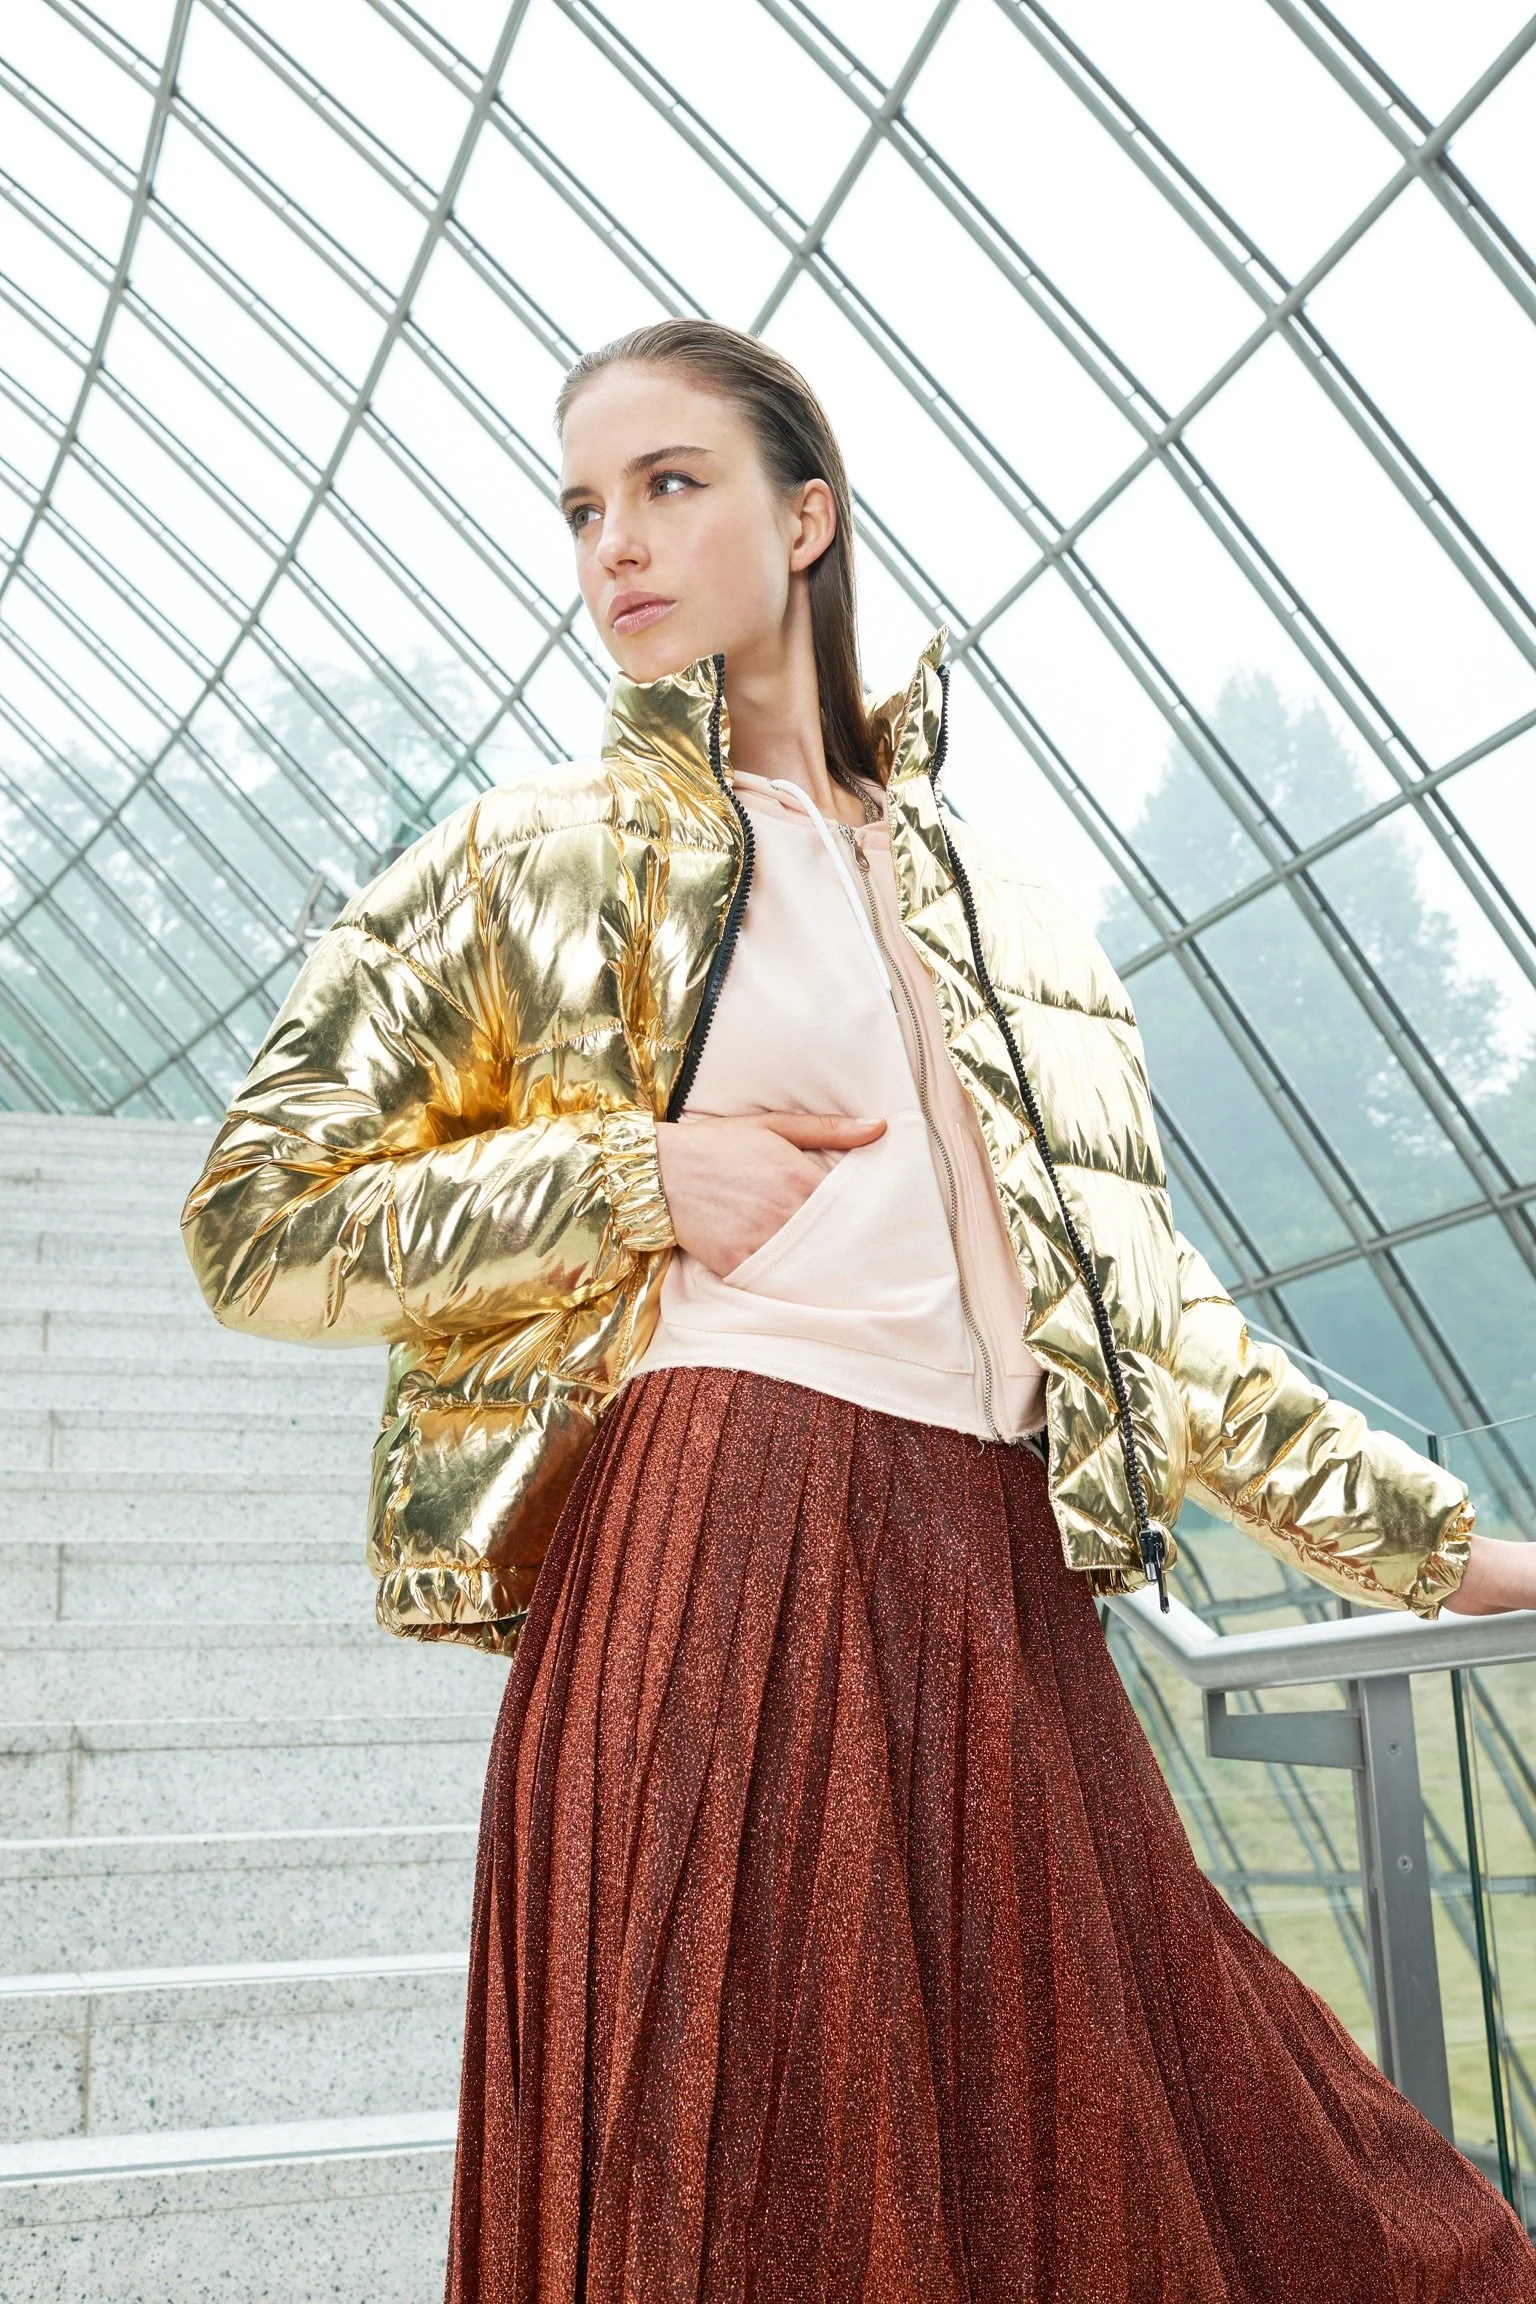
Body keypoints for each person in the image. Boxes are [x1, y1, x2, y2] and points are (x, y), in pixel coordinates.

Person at [182, 319, 1536, 2303]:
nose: (614, 545)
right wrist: (641, 1177)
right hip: (718, 1556)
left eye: (671, 484)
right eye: (580, 506)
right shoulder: (534, 861)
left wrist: (1442, 1545)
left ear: (805, 517)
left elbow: (1154, 1324)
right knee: (755, 2194)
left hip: (998, 1590)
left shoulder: (1005, 912)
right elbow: (254, 1216)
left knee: (1198, 2159)